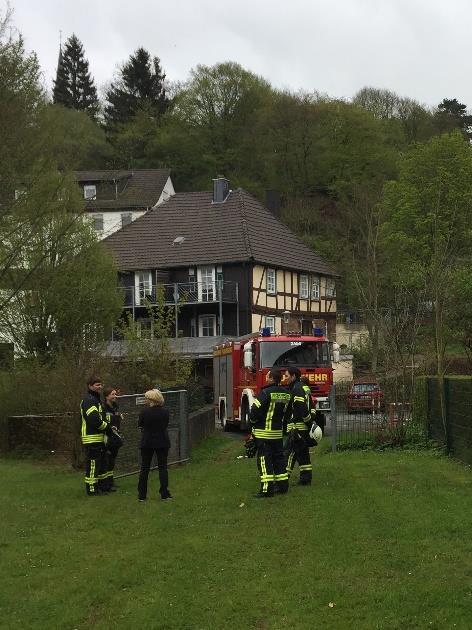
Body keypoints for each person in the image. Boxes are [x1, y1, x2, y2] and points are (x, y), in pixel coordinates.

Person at [249, 368, 291, 498]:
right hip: (277, 434)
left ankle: (267, 490)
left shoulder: (265, 392)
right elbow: (288, 413)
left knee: (264, 460)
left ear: (272, 378)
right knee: (279, 459)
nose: (266, 378)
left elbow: (255, 410)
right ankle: (283, 486)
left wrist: (253, 421)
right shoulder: (286, 394)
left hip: (263, 434)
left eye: (268, 376)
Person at [137, 389, 172, 501]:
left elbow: (140, 424)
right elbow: (165, 424)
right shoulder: (165, 412)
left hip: (147, 442)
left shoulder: (144, 412)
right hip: (162, 441)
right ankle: (164, 493)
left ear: (151, 399)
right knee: (163, 467)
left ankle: (142, 495)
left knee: (145, 468)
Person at [80, 375, 109, 496]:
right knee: (93, 465)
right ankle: (92, 490)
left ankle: (102, 487)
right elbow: (94, 420)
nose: (100, 387)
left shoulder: (96, 399)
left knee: (100, 464)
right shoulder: (89, 400)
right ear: (90, 386)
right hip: (91, 438)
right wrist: (107, 428)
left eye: (101, 384)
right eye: (97, 385)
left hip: (98, 437)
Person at [285, 367, 312, 485]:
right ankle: (305, 480)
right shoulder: (303, 387)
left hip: (297, 428)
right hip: (302, 427)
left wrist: (308, 422)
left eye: (287, 376)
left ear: (294, 376)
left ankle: (283, 479)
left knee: (289, 453)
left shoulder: (296, 388)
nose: (285, 378)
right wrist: (310, 423)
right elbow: (310, 407)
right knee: (303, 454)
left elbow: (301, 407)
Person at [102, 387, 123, 490]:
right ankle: (105, 484)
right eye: (112, 394)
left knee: (112, 461)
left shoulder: (116, 407)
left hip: (115, 436)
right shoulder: (103, 408)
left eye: (115, 394)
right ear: (107, 396)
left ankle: (111, 482)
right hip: (106, 437)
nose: (115, 396)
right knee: (106, 460)